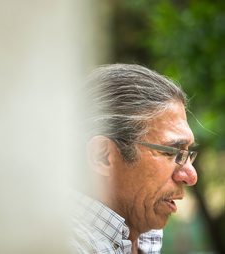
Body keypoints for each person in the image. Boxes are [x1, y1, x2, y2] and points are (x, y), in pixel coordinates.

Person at [71, 64, 198, 254]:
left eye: (188, 154)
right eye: (171, 152)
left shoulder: (143, 238)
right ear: (103, 157)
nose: (191, 176)